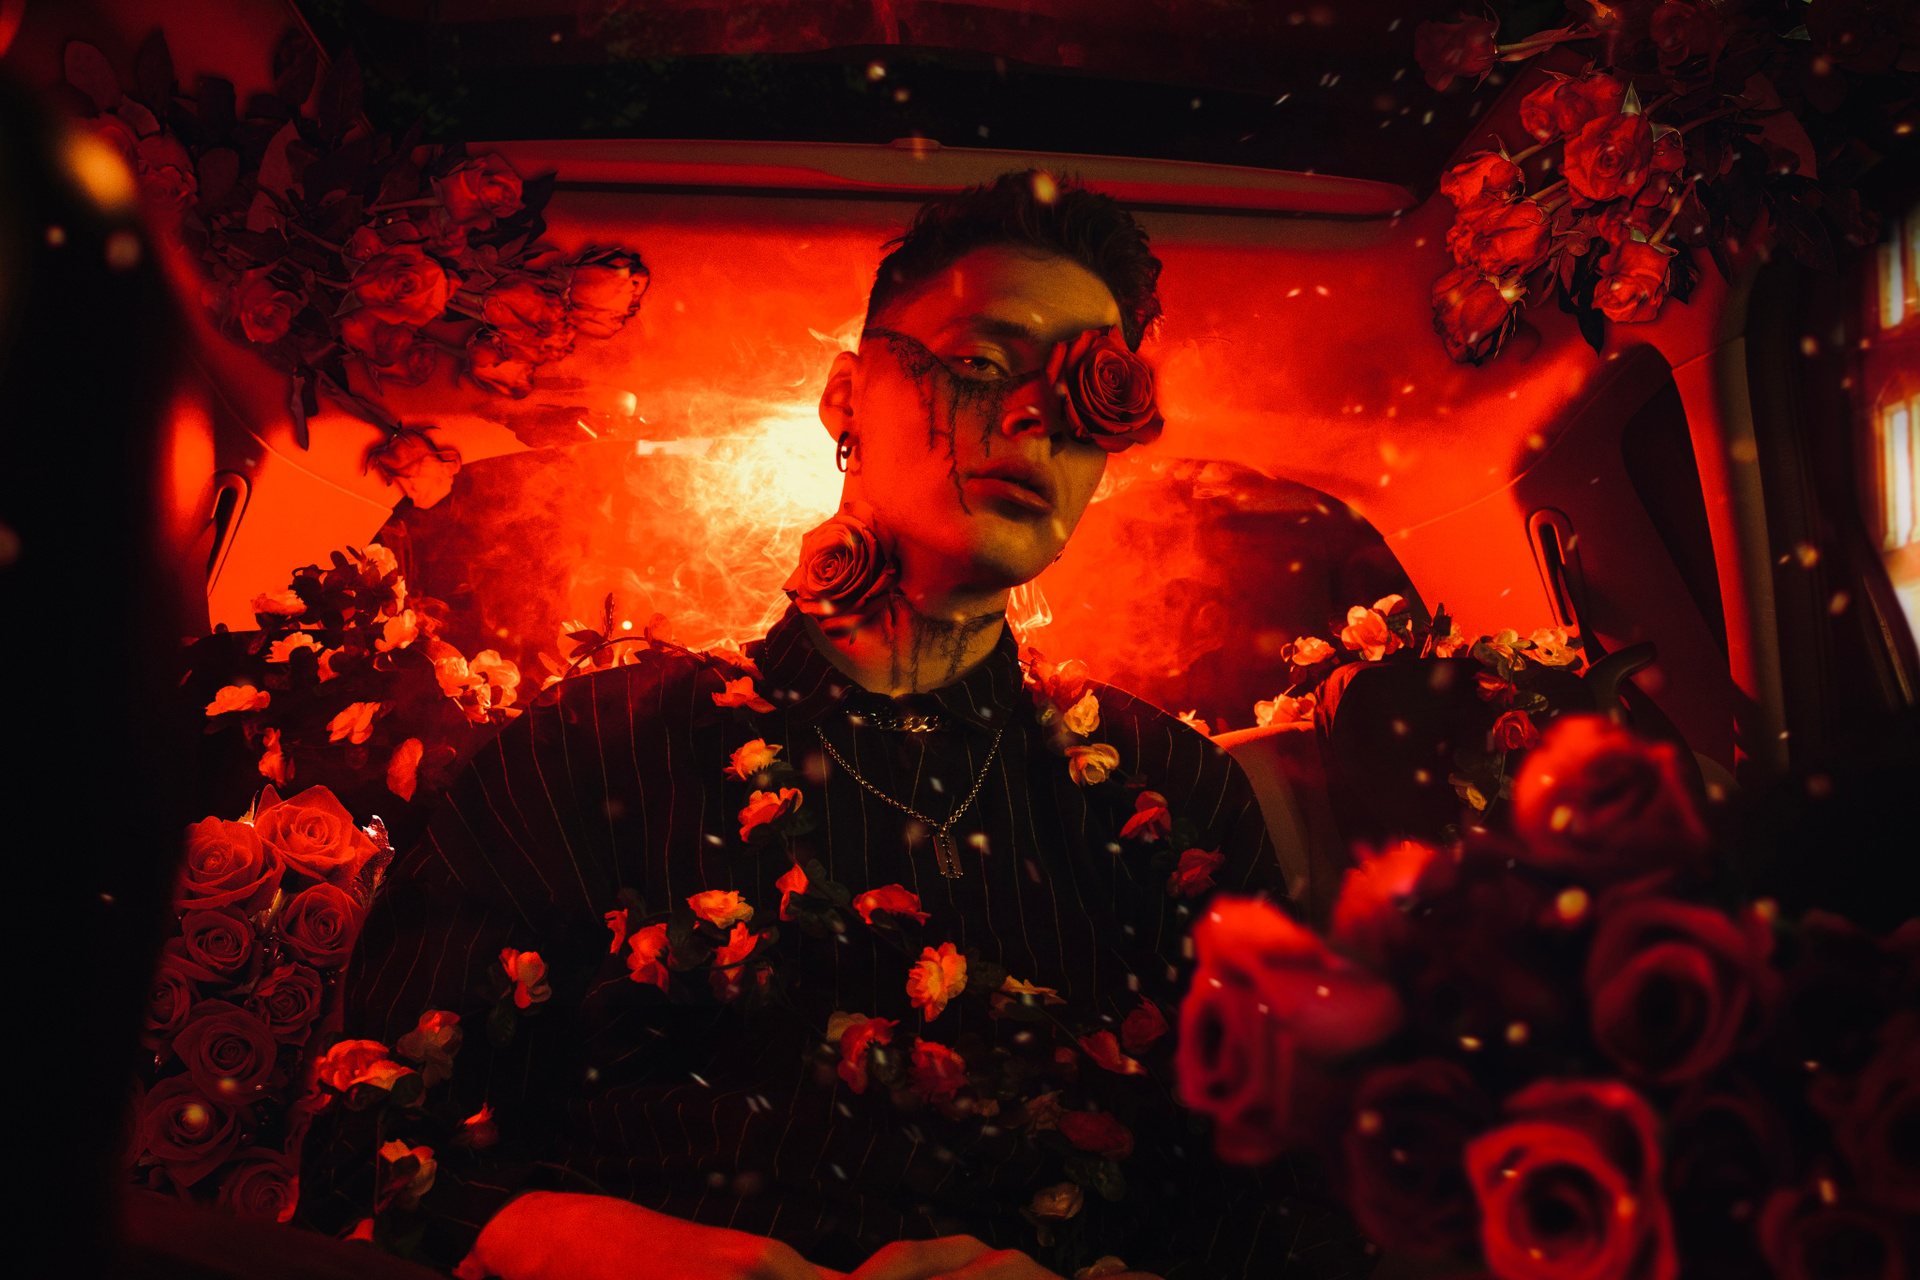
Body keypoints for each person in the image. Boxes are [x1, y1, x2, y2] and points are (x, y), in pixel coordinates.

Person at [315, 171, 1357, 1280]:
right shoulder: (598, 748)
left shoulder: (1171, 795)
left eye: (1089, 393)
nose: (1034, 416)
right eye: (981, 362)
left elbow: (1290, 1209)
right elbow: (373, 1136)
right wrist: (608, 1246)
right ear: (846, 398)